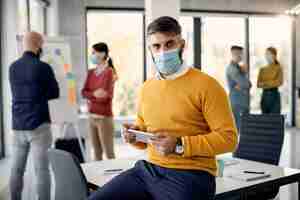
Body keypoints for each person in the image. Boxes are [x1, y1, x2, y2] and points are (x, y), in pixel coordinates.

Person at [88, 16, 238, 200]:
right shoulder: (147, 88)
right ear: (149, 49)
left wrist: (180, 144)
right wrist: (135, 135)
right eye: (156, 46)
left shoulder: (208, 85)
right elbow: (146, 134)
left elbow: (229, 139)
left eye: (169, 44)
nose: (163, 51)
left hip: (192, 174)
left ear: (181, 44)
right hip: (149, 170)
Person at [9, 32, 59, 200]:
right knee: (42, 170)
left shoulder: (13, 67)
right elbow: (54, 92)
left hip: (17, 125)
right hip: (39, 125)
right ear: (38, 45)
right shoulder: (42, 67)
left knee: (16, 169)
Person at [82, 42, 116, 160]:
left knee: (109, 153)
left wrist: (91, 96)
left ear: (102, 54)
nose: (92, 55)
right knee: (96, 153)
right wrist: (94, 94)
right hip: (91, 117)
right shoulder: (91, 72)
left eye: (93, 52)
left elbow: (106, 97)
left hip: (104, 119)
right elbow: (83, 92)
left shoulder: (109, 72)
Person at [226, 46, 251, 130]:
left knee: (243, 128)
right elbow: (246, 84)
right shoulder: (232, 68)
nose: (241, 56)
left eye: (242, 54)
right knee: (238, 128)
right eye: (239, 54)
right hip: (237, 102)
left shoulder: (239, 68)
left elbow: (244, 84)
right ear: (233, 54)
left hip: (241, 101)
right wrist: (245, 84)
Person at [257, 47, 283, 114]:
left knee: (274, 119)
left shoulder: (278, 68)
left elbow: (279, 82)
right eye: (266, 54)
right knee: (265, 119)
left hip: (274, 95)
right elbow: (258, 84)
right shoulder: (262, 69)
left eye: (268, 54)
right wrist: (271, 82)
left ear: (274, 55)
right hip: (264, 96)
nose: (266, 56)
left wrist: (264, 83)